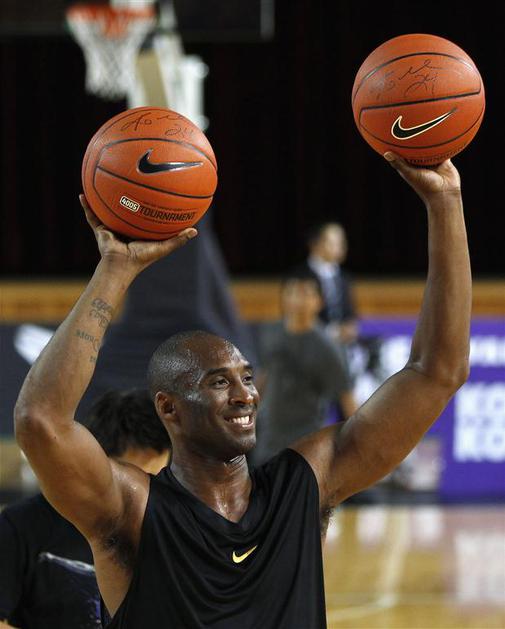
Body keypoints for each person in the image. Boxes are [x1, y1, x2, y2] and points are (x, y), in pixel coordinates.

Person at [13, 153, 471, 628]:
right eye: (219, 382)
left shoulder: (302, 486)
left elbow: (438, 372)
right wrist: (114, 270)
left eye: (247, 378)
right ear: (169, 407)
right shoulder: (132, 509)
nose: (245, 394)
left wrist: (446, 202)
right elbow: (39, 420)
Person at [0, 389, 171, 629]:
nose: (141, 493)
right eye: (128, 481)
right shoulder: (21, 525)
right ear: (90, 461)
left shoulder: (172, 530)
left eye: (153, 480)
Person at [254, 275, 358, 463]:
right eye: (292, 292)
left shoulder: (328, 348)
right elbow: (264, 375)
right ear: (283, 297)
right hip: (267, 441)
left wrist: (360, 448)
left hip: (304, 447)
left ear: (319, 302)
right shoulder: (271, 331)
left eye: (306, 294)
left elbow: (347, 400)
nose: (298, 300)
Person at [296, 222, 358, 344]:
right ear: (316, 244)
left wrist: (350, 328)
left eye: (342, 242)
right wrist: (333, 332)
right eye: (333, 243)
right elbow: (300, 319)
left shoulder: (344, 278)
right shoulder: (300, 277)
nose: (341, 247)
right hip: (312, 343)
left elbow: (350, 313)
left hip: (344, 343)